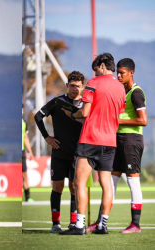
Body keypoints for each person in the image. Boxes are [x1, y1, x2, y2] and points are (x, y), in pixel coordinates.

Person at [59, 53, 126, 235]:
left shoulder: (94, 82)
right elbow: (118, 115)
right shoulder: (121, 88)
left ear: (102, 66)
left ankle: (80, 226)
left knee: (79, 182)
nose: (95, 73)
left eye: (96, 69)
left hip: (90, 139)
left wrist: (72, 114)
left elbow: (85, 112)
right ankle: (102, 225)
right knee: (107, 184)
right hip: (110, 142)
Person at [87, 58, 147, 234]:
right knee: (110, 183)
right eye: (118, 72)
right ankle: (100, 222)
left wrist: (116, 119)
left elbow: (143, 120)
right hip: (117, 141)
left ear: (131, 73)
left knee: (132, 181)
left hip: (131, 141)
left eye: (122, 73)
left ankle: (135, 224)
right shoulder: (121, 91)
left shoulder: (136, 93)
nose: (118, 75)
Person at [34, 71, 85, 233]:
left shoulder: (86, 105)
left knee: (75, 187)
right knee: (57, 186)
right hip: (59, 153)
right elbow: (37, 116)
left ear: (82, 87)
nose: (75, 89)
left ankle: (73, 223)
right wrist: (47, 137)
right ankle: (55, 223)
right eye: (72, 85)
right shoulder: (58, 102)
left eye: (78, 86)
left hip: (78, 154)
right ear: (67, 85)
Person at [22, 104, 35, 202]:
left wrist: (30, 151)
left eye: (22, 110)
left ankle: (28, 197)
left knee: (25, 175)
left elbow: (25, 137)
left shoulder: (24, 122)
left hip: (22, 152)